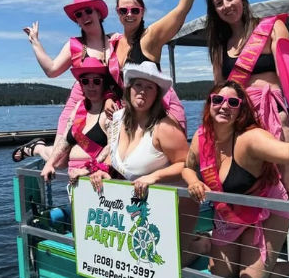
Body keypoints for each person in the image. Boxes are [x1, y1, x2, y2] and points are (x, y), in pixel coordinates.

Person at [182, 81, 289, 278]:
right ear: (209, 104)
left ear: (240, 110)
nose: (224, 106)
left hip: (264, 211)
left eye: (233, 102)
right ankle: (230, 249)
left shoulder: (251, 138)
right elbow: (187, 167)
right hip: (230, 216)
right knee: (221, 276)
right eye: (218, 100)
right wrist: (194, 181)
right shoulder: (201, 137)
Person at [204, 0, 289, 220]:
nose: (226, 5)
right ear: (214, 11)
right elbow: (220, 91)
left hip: (272, 117)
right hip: (240, 124)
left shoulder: (272, 28)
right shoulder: (219, 46)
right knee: (252, 192)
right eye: (218, 3)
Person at [88, 61, 209, 266]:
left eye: (149, 87)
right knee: (139, 259)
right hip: (143, 205)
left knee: (169, 264)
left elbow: (187, 164)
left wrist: (154, 176)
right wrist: (102, 171)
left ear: (157, 95)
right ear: (128, 89)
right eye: (138, 85)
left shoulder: (165, 128)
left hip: (176, 203)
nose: (142, 91)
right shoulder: (117, 119)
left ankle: (204, 244)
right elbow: (114, 155)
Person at [103, 0, 206, 131]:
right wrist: (108, 98)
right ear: (117, 13)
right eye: (123, 11)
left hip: (157, 116)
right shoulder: (114, 43)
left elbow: (182, 9)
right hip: (130, 117)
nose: (129, 14)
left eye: (135, 10)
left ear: (142, 13)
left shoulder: (150, 37)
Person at [13, 0, 114, 162]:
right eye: (79, 15)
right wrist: (35, 42)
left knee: (105, 154)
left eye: (88, 11)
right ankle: (37, 148)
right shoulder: (74, 45)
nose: (84, 17)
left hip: (107, 105)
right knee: (59, 161)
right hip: (79, 105)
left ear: (98, 13)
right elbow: (52, 70)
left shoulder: (115, 41)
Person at [40, 58, 113, 185]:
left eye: (96, 81)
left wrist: (87, 170)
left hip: (97, 179)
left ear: (104, 83)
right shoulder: (79, 107)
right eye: (85, 81)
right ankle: (37, 148)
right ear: (81, 85)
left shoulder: (110, 110)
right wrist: (50, 163)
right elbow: (65, 139)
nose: (91, 86)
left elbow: (113, 147)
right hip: (74, 178)